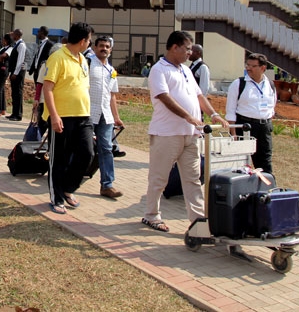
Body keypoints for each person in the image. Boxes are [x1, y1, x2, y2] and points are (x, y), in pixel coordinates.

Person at [142, 30, 228, 233]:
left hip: (192, 135)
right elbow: (164, 97)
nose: (190, 52)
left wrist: (214, 114)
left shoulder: (186, 70)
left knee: (193, 179)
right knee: (159, 178)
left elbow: (199, 96)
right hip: (167, 134)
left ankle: (198, 222)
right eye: (187, 49)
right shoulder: (159, 70)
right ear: (174, 47)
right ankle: (151, 215)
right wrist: (188, 116)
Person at [42, 22, 95, 215]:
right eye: (89, 40)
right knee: (59, 159)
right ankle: (57, 198)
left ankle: (68, 188)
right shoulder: (57, 57)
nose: (90, 43)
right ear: (83, 40)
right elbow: (48, 88)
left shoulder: (83, 60)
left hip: (83, 116)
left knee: (87, 153)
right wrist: (54, 116)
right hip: (62, 117)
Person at [225, 53, 277, 174]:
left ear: (263, 68)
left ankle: (266, 184)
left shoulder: (270, 84)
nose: (248, 68)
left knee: (265, 162)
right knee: (241, 162)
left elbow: (272, 105)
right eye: (247, 65)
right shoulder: (238, 83)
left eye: (253, 66)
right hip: (245, 126)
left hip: (264, 128)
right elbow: (231, 110)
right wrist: (233, 133)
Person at [89, 35, 124, 199]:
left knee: (106, 149)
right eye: (101, 46)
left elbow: (112, 95)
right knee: (82, 148)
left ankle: (107, 185)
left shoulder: (111, 70)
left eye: (107, 46)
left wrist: (116, 117)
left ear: (111, 49)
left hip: (105, 116)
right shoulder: (87, 64)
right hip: (88, 113)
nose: (104, 48)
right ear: (95, 47)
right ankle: (69, 181)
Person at [7, 29, 27, 121]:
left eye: (14, 34)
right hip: (14, 72)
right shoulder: (16, 44)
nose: (12, 36)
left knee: (18, 93)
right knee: (14, 93)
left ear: (18, 35)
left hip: (18, 73)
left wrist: (15, 73)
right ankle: (14, 113)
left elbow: (20, 61)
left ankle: (18, 114)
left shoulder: (21, 45)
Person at [0, 34, 13, 117]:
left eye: (3, 39)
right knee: (1, 89)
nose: (2, 41)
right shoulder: (2, 48)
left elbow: (4, 55)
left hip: (4, 70)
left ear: (6, 40)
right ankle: (3, 109)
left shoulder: (10, 48)